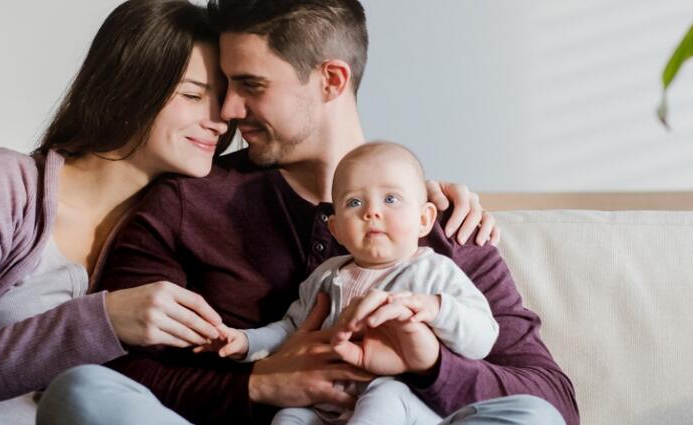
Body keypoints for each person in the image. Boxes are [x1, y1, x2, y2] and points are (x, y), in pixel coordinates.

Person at [0, 1, 497, 423]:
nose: (223, 114)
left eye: (233, 90)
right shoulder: (3, 183)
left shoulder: (174, 214)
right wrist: (109, 318)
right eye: (199, 93)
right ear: (133, 88)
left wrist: (408, 204)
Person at [38, 0, 579, 424]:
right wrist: (257, 384)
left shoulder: (440, 220)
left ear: (331, 80)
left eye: (250, 85)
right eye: (227, 86)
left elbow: (551, 397)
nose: (227, 111)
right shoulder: (188, 202)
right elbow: (115, 365)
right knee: (82, 393)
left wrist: (430, 366)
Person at [201, 142, 504, 425]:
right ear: (336, 230)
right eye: (354, 202)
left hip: (400, 399)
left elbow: (483, 338)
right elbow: (290, 329)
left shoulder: (434, 271)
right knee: (289, 416)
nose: (371, 212)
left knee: (383, 397)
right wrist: (246, 343)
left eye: (391, 199)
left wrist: (436, 308)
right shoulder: (326, 275)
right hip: (326, 400)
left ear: (424, 219)